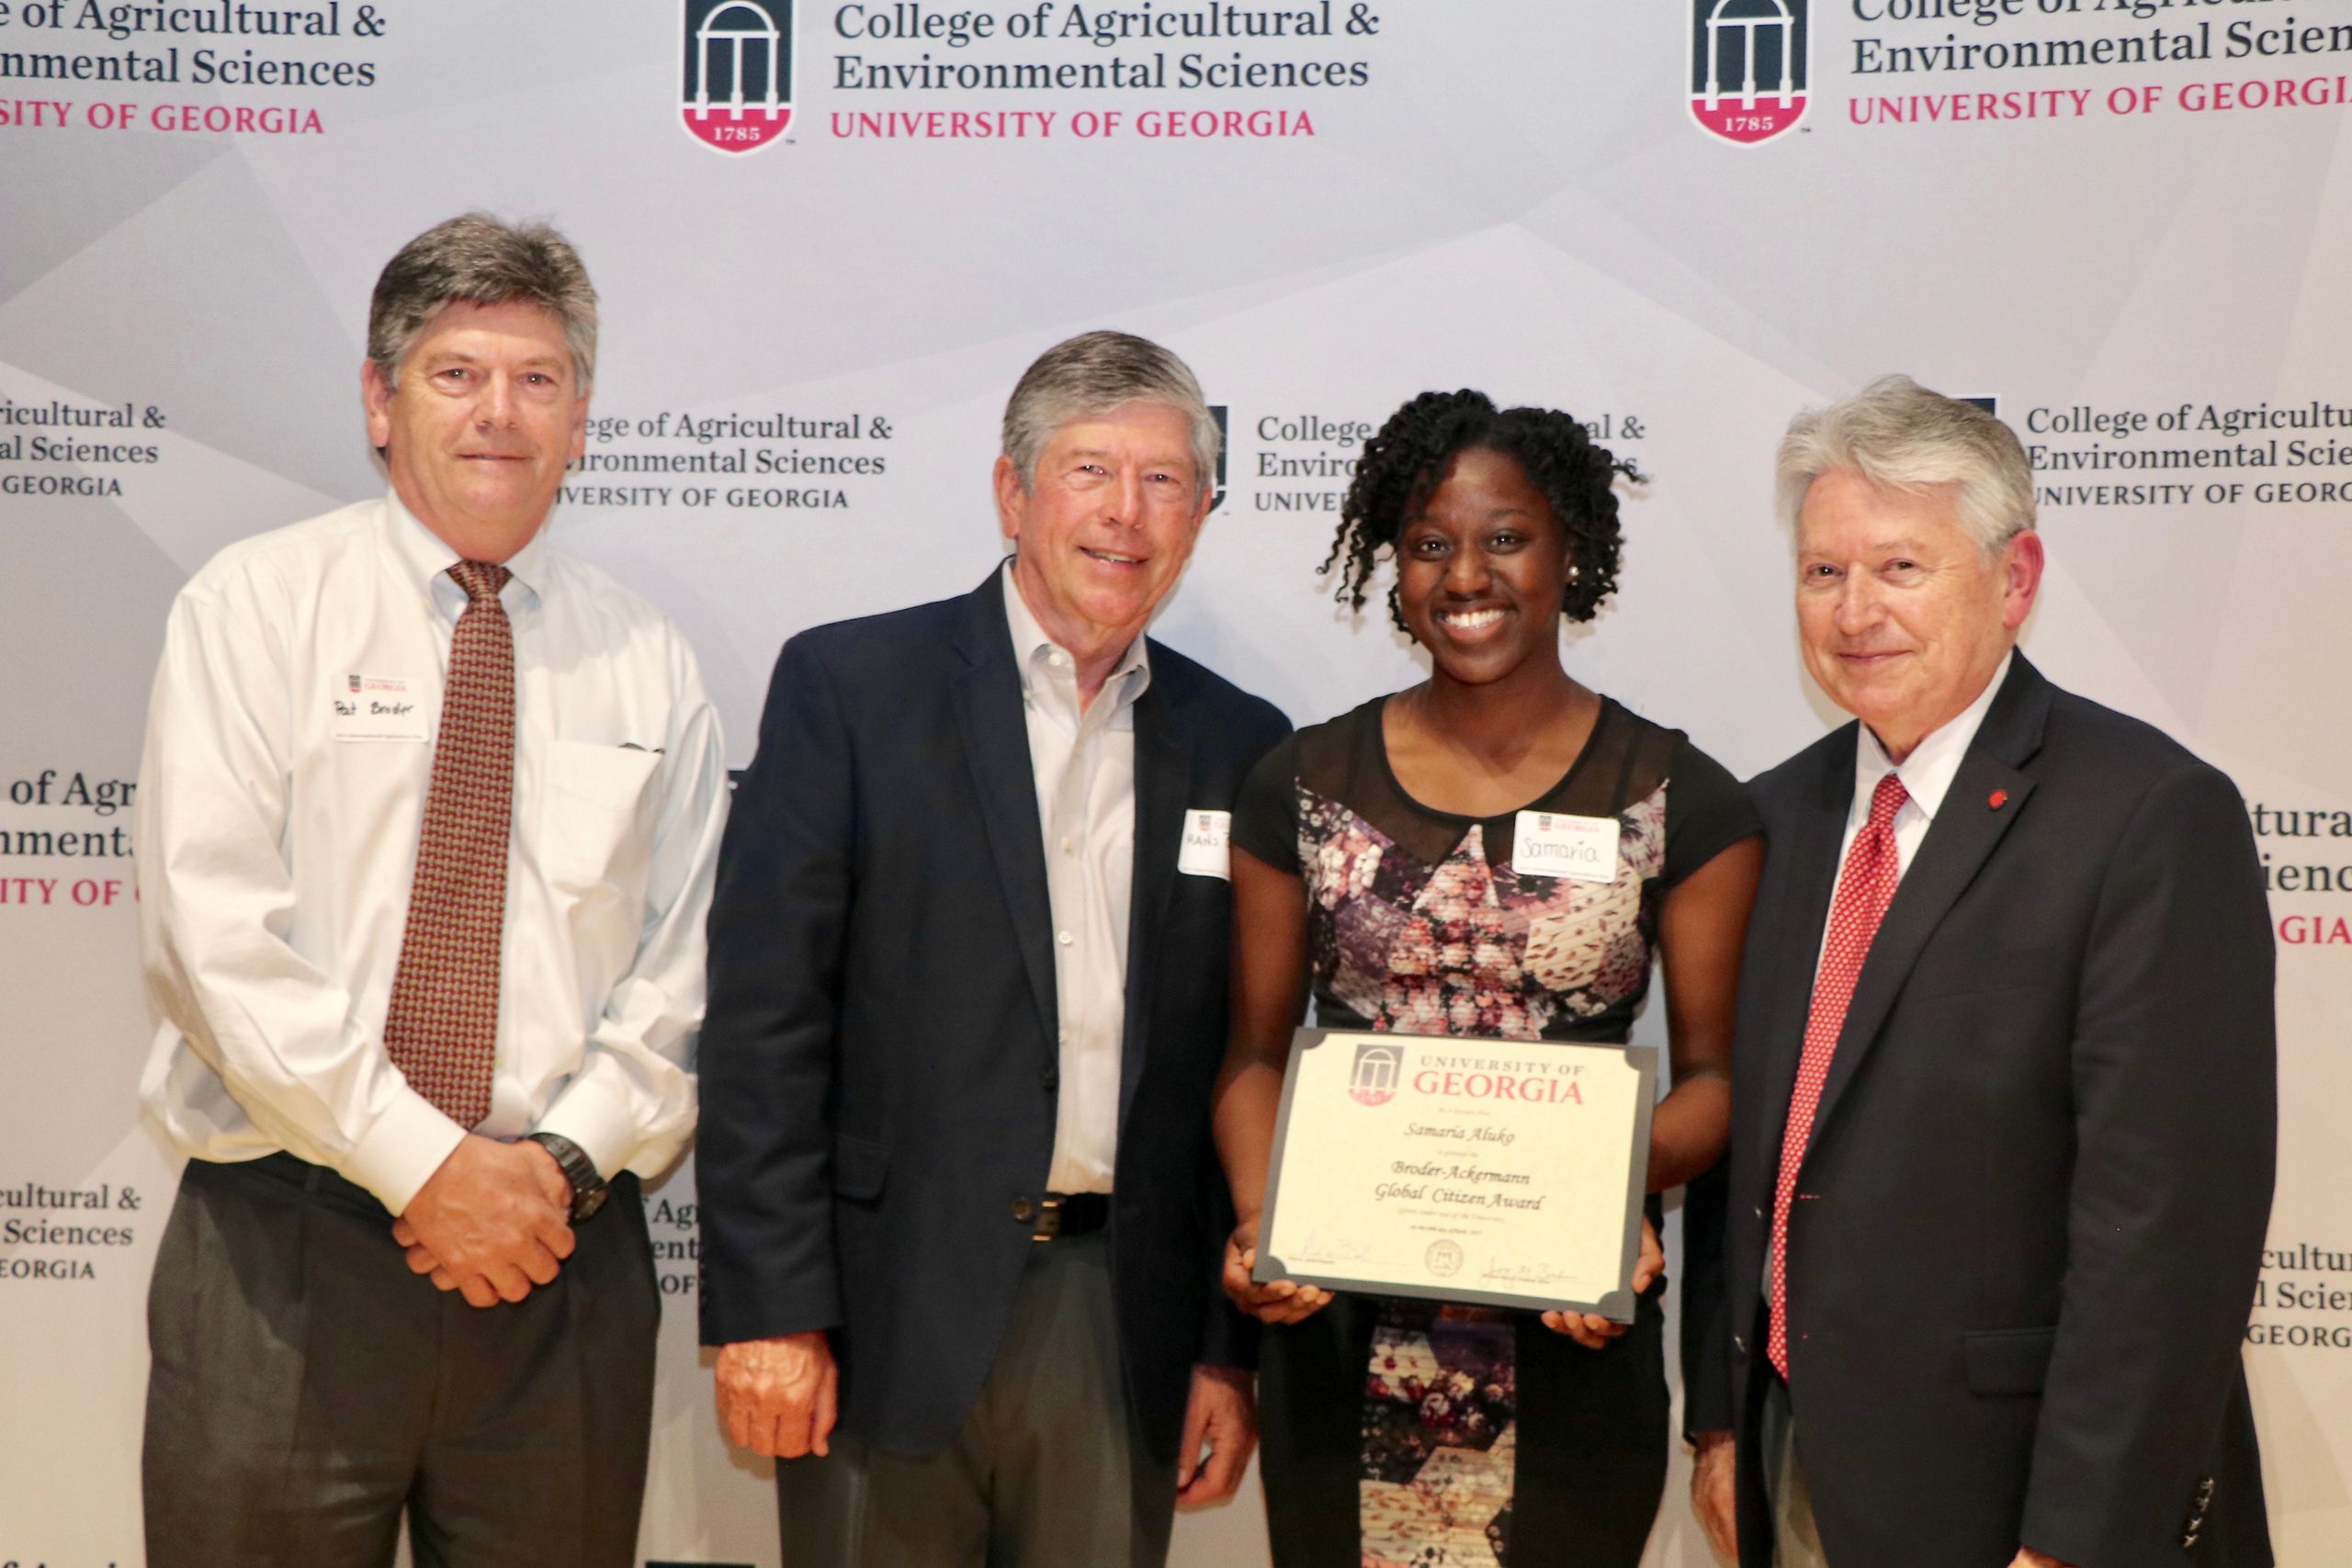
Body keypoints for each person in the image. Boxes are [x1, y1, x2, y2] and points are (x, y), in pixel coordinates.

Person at [134, 213, 728, 1567]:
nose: (499, 414)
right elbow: (214, 939)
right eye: (457, 372)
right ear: (378, 400)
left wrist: (553, 1167)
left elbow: (681, 970)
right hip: (290, 1246)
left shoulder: (647, 658)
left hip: (558, 1260)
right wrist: (423, 1159)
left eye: (538, 377)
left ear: (583, 415)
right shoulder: (256, 607)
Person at [696, 330, 1290, 1566]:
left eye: (1167, 480)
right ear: (1013, 490)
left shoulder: (1239, 741)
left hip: (1119, 1320)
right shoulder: (852, 688)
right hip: (882, 1312)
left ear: (1203, 511)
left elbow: (1240, 1052)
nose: (1128, 513)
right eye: (1089, 471)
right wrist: (772, 1313)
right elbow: (764, 1028)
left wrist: (1223, 1352)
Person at [1688, 376, 2275, 1567]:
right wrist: (1718, 1419)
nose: (1856, 611)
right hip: (1792, 1467)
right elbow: (1752, 1155)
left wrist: (2075, 1539)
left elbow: (2166, 1237)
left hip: (2020, 1500)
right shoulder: (1769, 818)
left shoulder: (2148, 816)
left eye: (1902, 567)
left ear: (2014, 581)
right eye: (1823, 571)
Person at [1213, 389, 1764, 1568]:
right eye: (1428, 545)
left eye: (1506, 537)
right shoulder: (1298, 786)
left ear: (1571, 551)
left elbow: (1719, 1081)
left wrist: (1607, 1189)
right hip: (1337, 1329)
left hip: (1572, 1316)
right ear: (1392, 568)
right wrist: (1264, 1216)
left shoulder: (1684, 799)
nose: (1467, 575)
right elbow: (1255, 1055)